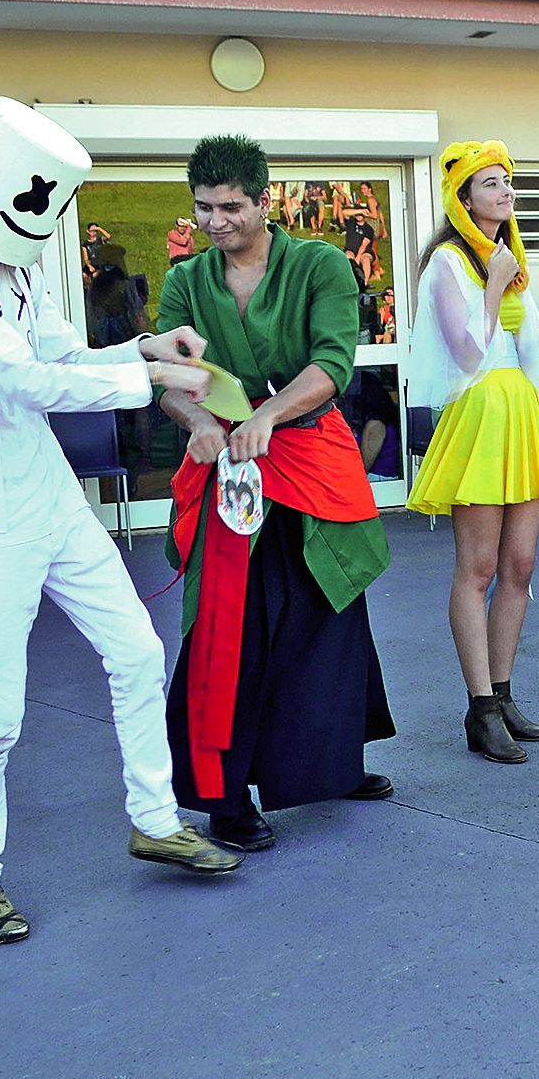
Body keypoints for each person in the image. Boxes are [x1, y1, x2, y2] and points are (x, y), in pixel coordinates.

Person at [0, 98, 243, 943]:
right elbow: (23, 377)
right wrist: (153, 381)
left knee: (137, 650)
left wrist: (148, 348)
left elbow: (63, 354)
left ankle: (154, 818)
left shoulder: (13, 267)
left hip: (46, 493)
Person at [153, 134, 396, 853]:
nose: (215, 221)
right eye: (203, 207)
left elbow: (331, 363)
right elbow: (171, 378)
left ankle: (333, 760)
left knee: (330, 608)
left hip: (309, 457)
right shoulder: (185, 280)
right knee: (230, 626)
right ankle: (223, 794)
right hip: (231, 470)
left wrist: (267, 416)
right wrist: (199, 421)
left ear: (265, 201)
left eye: (230, 206)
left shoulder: (320, 264)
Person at [406, 141, 539, 763]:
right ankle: (480, 708)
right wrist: (496, 286)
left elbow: (522, 349)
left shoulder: (510, 257)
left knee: (521, 566)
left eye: (507, 182)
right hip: (479, 413)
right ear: (462, 198)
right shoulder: (448, 262)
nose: (505, 192)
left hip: (519, 413)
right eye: (490, 183)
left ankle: (503, 696)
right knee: (477, 568)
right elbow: (467, 354)